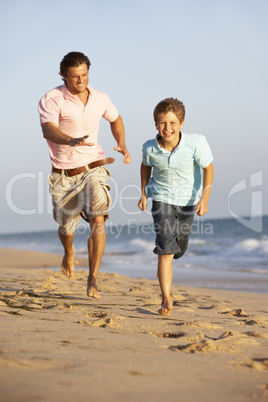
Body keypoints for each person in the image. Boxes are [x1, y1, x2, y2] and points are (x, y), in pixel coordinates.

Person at [38, 51, 131, 299]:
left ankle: (93, 279)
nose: (81, 81)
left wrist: (121, 142)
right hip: (63, 176)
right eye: (75, 76)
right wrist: (70, 140)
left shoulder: (100, 98)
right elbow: (48, 129)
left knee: (98, 219)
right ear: (64, 76)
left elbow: (116, 118)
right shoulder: (52, 98)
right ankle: (69, 252)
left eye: (85, 75)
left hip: (93, 168)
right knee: (66, 227)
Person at [138, 98, 214, 316]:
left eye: (172, 123)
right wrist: (143, 193)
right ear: (156, 124)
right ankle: (165, 297)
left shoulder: (196, 143)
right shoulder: (149, 148)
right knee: (165, 249)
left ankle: (164, 270)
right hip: (161, 199)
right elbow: (145, 166)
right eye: (162, 123)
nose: (167, 128)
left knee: (178, 250)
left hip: (188, 202)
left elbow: (209, 169)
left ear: (181, 123)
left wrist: (204, 199)